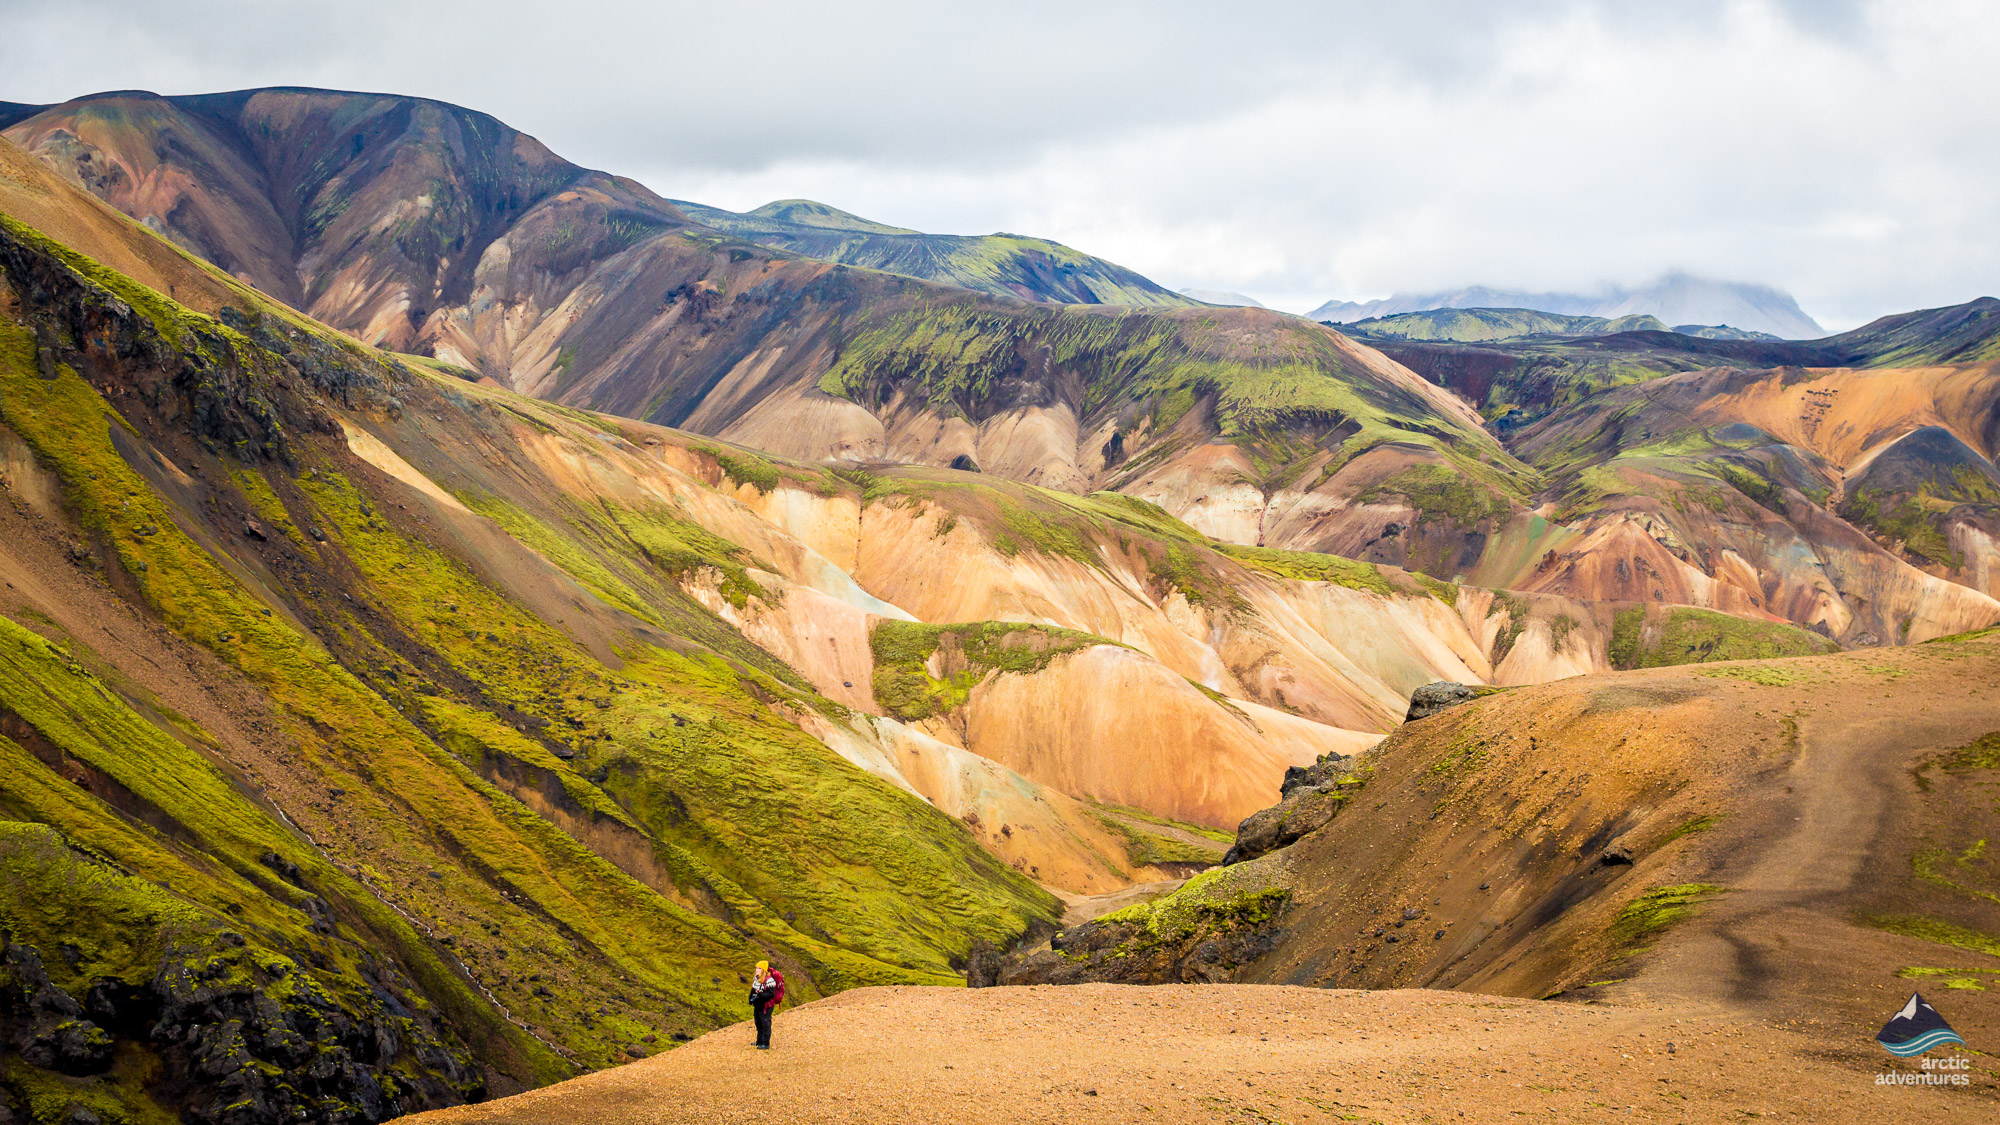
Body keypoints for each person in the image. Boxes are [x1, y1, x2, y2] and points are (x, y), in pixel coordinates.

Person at [748, 960, 785, 1049]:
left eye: (759, 968)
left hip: (766, 1006)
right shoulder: (756, 978)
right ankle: (759, 1041)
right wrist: (750, 999)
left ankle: (765, 1043)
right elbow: (753, 990)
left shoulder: (770, 981)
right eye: (756, 968)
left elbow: (771, 995)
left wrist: (760, 994)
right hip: (758, 1005)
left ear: (763, 970)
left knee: (765, 1023)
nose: (756, 970)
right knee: (758, 1023)